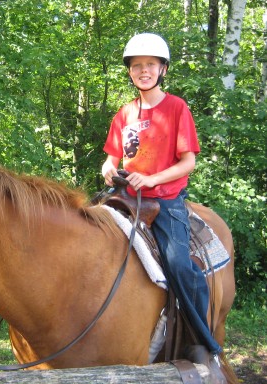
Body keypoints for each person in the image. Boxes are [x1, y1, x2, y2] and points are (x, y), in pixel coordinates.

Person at [101, 33, 226, 382]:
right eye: (136, 66)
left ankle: (203, 338)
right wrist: (109, 171)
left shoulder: (176, 108)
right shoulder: (124, 113)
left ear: (162, 69)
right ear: (130, 72)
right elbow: (111, 159)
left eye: (150, 65)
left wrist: (152, 180)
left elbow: (188, 163)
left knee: (178, 263)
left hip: (164, 199)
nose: (143, 71)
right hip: (126, 196)